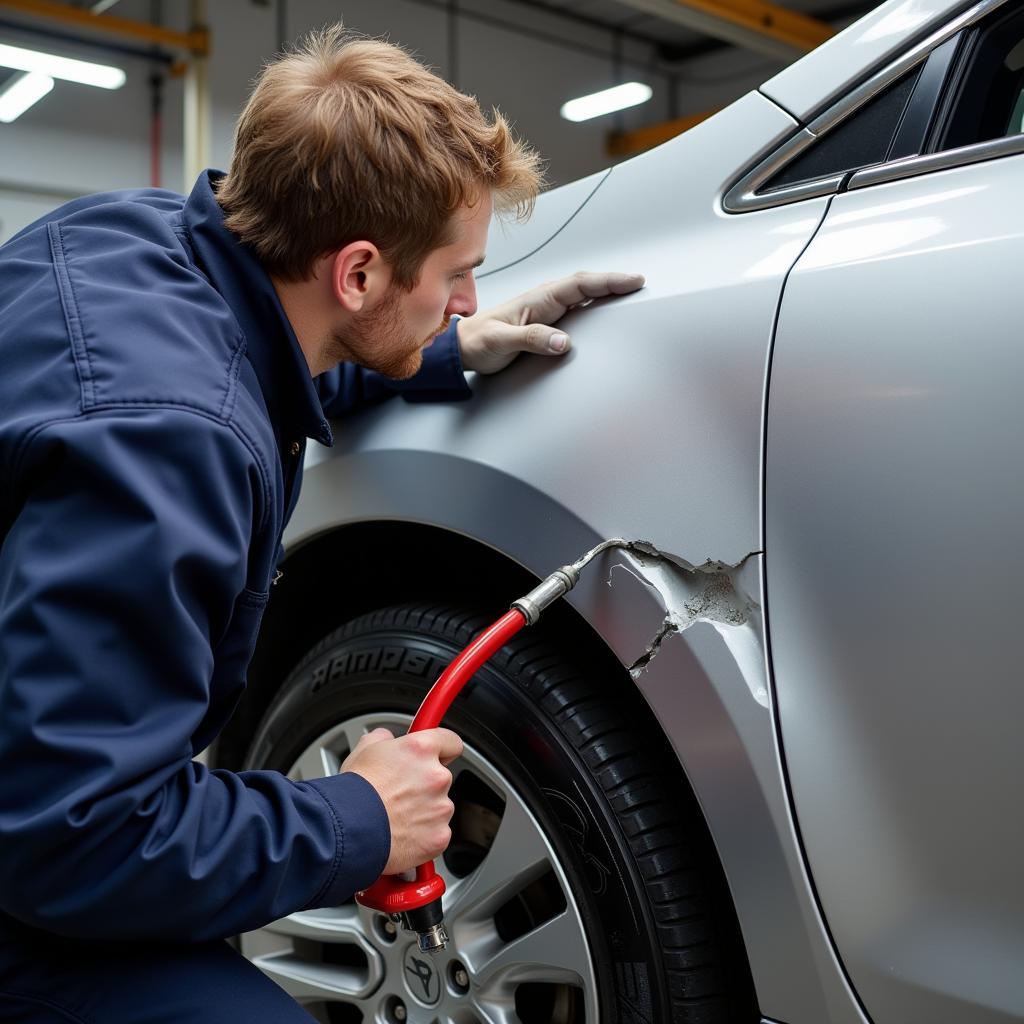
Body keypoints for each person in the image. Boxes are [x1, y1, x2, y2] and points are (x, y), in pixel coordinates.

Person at [0, 25, 643, 1023]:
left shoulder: (123, 238)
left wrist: (441, 348)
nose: (468, 296)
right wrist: (358, 816)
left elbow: (258, 351)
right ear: (355, 273)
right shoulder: (166, 451)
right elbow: (70, 838)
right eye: (454, 272)